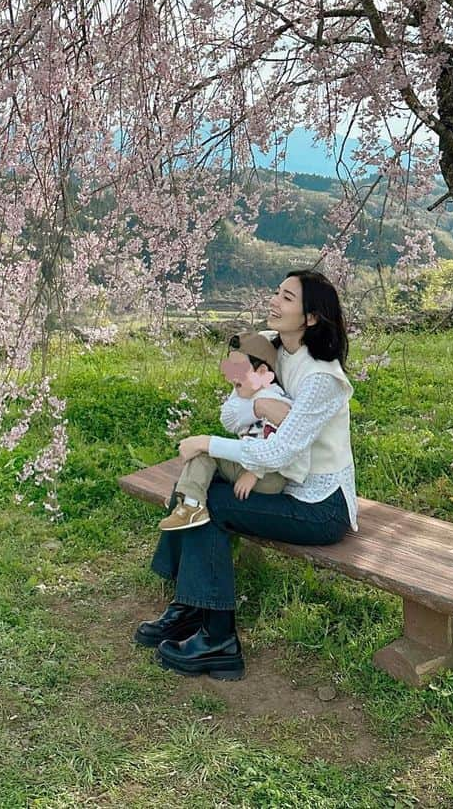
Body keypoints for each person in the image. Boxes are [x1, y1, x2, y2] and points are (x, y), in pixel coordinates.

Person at [134, 270, 356, 681]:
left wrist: (207, 443)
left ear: (310, 317)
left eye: (287, 298)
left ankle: (218, 639)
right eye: (277, 292)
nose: (274, 301)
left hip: (319, 505)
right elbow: (228, 413)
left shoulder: (323, 379)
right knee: (195, 487)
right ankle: (190, 607)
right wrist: (259, 409)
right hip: (279, 482)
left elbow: (279, 450)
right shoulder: (270, 347)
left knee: (213, 502)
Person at [157, 330, 308, 530]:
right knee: (206, 458)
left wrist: (253, 474)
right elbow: (227, 417)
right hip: (251, 465)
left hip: (269, 476)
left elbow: (273, 447)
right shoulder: (247, 392)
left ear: (262, 372)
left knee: (205, 453)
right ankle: (187, 501)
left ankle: (190, 505)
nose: (232, 378)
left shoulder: (275, 402)